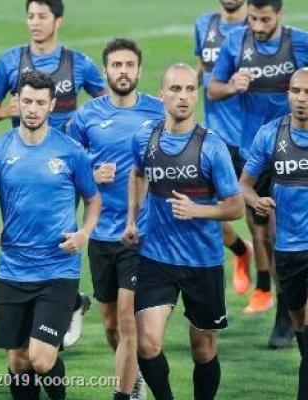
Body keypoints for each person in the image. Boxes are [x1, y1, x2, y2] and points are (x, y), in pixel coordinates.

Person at [0, 70, 101, 400]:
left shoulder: (70, 151)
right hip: (13, 270)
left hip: (58, 269)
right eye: (27, 101)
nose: (33, 109)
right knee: (18, 361)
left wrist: (84, 232)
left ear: (52, 105)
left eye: (40, 102)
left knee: (40, 359)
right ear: (17, 102)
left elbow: (93, 199)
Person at [208, 0, 308, 345]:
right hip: (254, 153)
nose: (258, 26)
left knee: (292, 234)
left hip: (297, 153)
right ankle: (287, 307)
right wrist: (232, 86)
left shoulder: (303, 44)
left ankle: (298, 311)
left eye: (265, 19)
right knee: (265, 236)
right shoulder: (235, 42)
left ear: (280, 15)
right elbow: (213, 89)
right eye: (253, 19)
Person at [125, 63, 244, 400]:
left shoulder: (212, 147)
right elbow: (138, 174)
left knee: (203, 350)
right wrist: (132, 220)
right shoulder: (144, 137)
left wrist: (198, 210)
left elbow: (236, 206)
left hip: (202, 261)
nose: (183, 96)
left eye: (190, 89)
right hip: (156, 257)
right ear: (162, 94)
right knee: (147, 344)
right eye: (176, 89)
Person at [241, 68, 308, 400]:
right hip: (287, 249)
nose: (300, 98)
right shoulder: (270, 135)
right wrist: (255, 201)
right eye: (295, 91)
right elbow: (243, 184)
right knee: (302, 327)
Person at [66, 37, 163, 400]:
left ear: (139, 70)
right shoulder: (85, 117)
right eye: (117, 65)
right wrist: (91, 174)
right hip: (100, 234)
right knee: (110, 324)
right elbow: (65, 169)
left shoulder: (158, 112)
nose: (123, 72)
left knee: (126, 318)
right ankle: (132, 376)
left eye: (129, 65)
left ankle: (125, 393)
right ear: (105, 71)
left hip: (140, 235)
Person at [194, 0, 254, 299]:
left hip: (247, 137)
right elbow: (203, 69)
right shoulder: (204, 24)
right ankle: (242, 252)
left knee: (260, 221)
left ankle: (269, 288)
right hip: (213, 135)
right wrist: (183, 87)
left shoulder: (256, 28)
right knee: (203, 210)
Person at [0, 0, 107, 132]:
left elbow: (109, 103)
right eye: (31, 16)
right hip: (26, 145)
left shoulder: (79, 62)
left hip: (67, 144)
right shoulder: (9, 61)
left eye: (42, 17)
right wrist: (5, 112)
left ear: (58, 21)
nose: (35, 22)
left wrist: (88, 120)